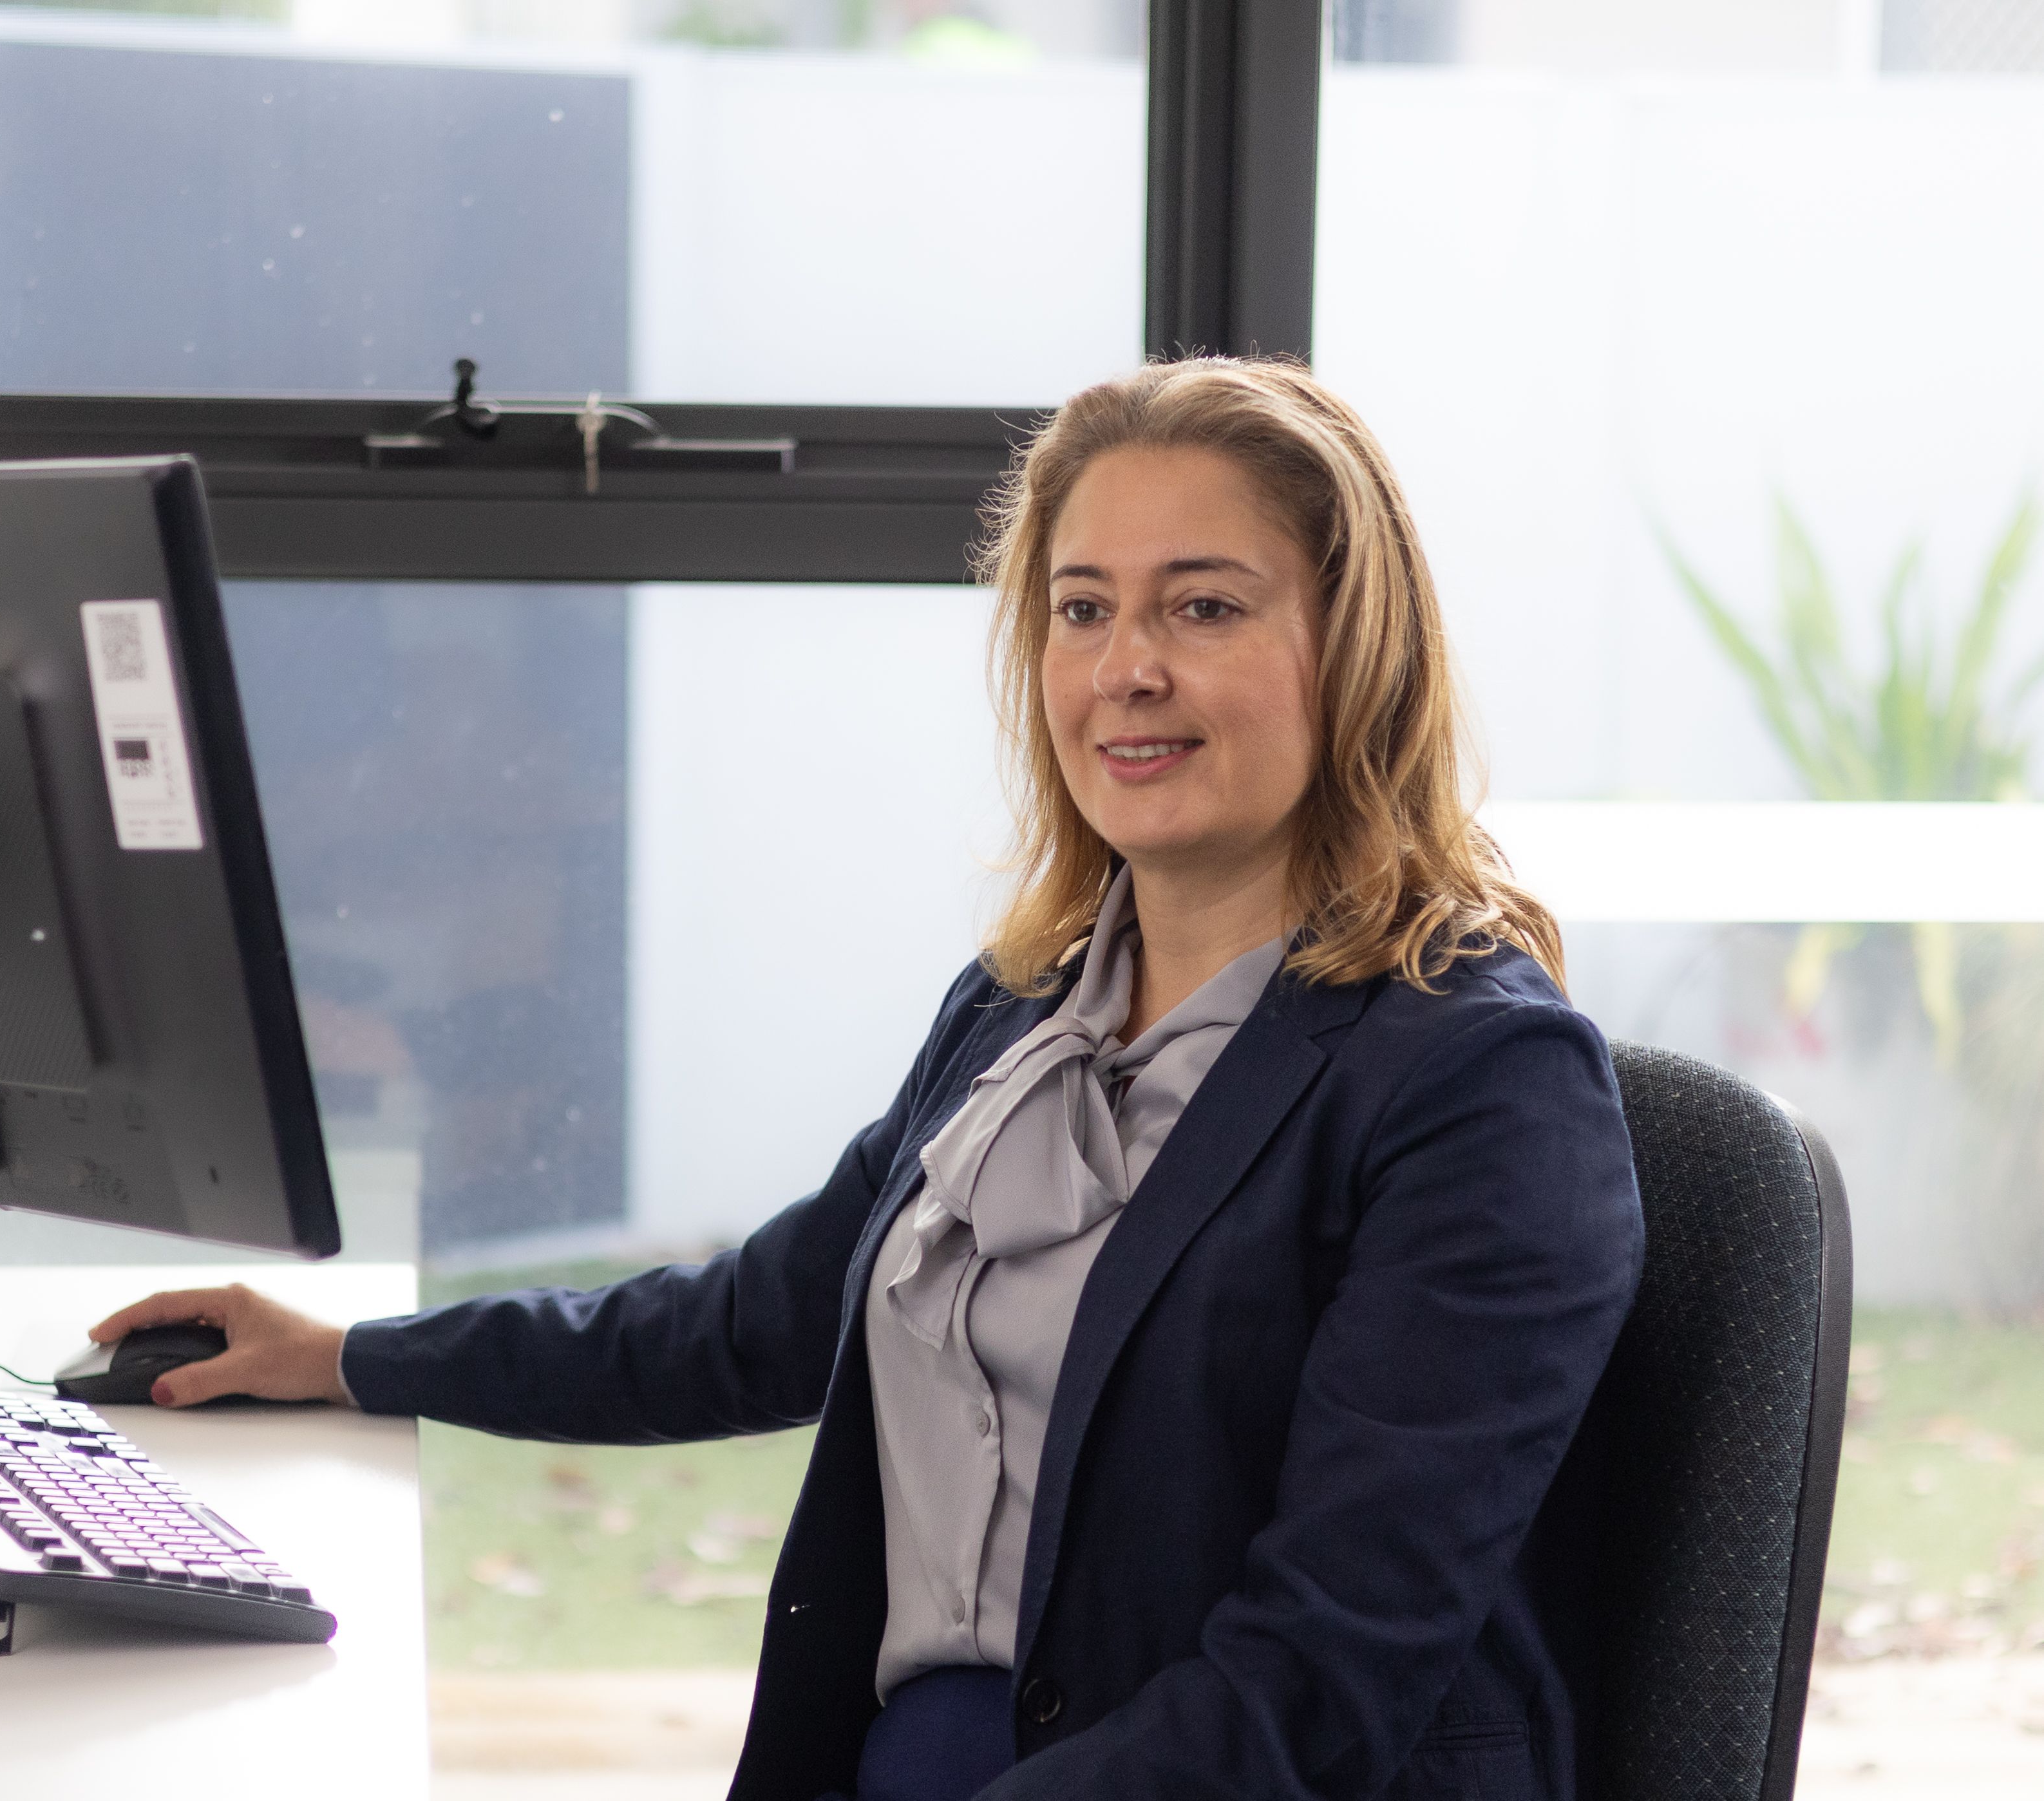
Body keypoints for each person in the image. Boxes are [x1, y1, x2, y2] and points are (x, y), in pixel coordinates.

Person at [88, 357, 1644, 1801]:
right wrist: (354, 1356)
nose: (1125, 670)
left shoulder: (1480, 1085)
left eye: (1206, 608)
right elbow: (754, 1321)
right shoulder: (1027, 1003)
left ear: (1353, 649)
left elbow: (1320, 1674)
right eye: (1081, 608)